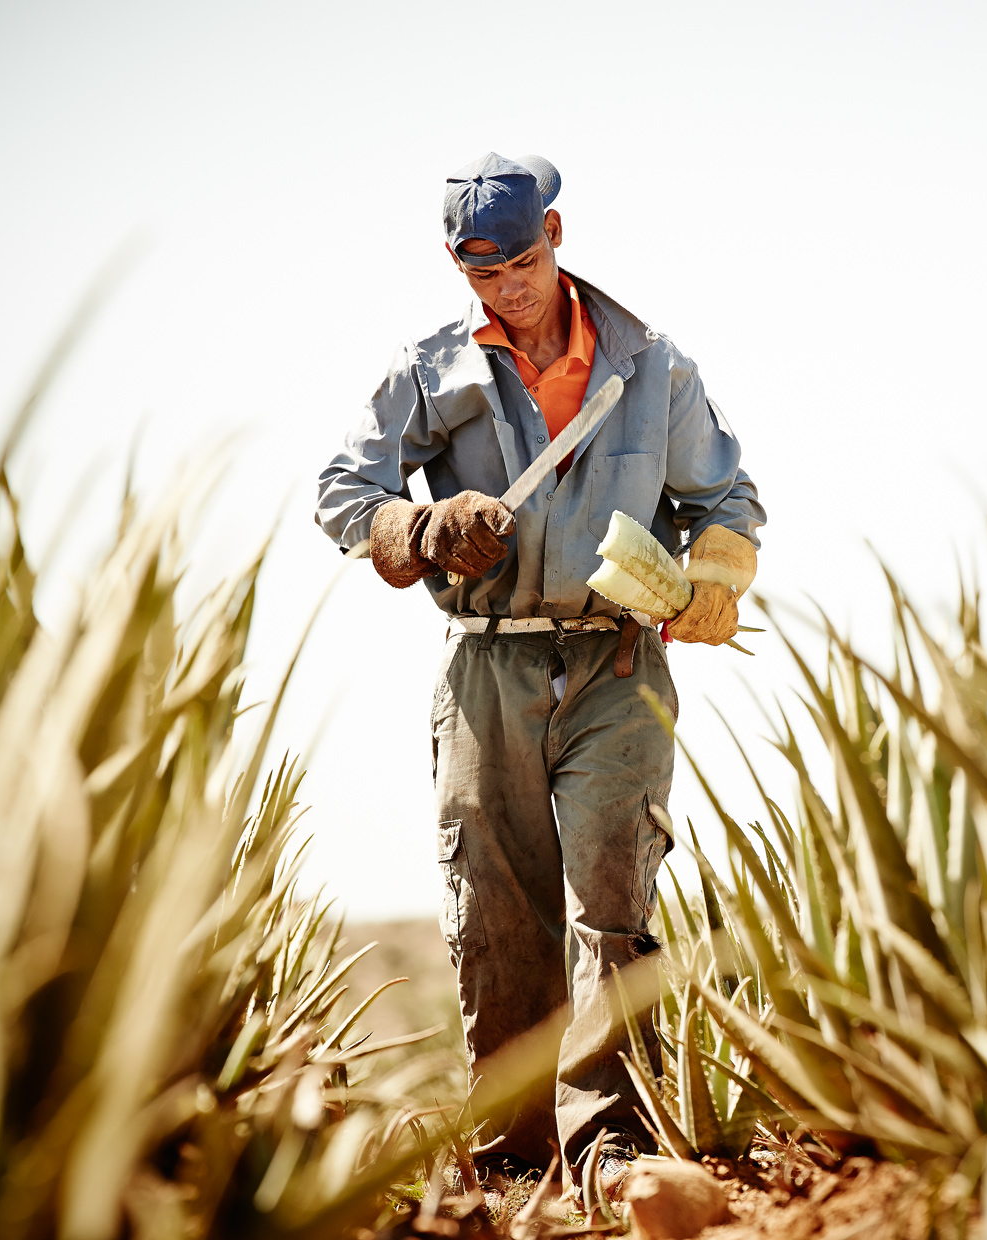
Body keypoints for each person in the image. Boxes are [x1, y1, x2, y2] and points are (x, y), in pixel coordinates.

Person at [315, 152, 765, 1182]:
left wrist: (714, 582)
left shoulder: (649, 365)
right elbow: (342, 491)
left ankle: (611, 1148)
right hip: (486, 665)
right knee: (496, 905)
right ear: (456, 265)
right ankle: (515, 1159)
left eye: (519, 263)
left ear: (555, 239)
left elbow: (728, 497)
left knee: (612, 891)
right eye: (481, 273)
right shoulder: (429, 369)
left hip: (618, 660)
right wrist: (421, 524)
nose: (505, 289)